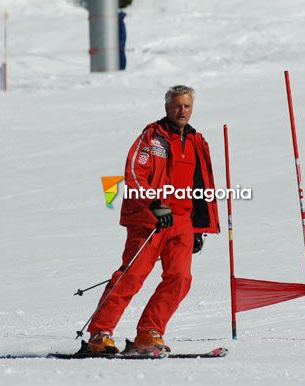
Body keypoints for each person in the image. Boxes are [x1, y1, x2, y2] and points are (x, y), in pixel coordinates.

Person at [87, 85, 220, 353]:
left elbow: (201, 185)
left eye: (187, 106)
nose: (182, 111)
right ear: (167, 107)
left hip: (182, 221)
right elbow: (134, 174)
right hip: (150, 219)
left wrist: (198, 227)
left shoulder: (196, 141)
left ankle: (149, 332)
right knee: (132, 275)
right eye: (177, 106)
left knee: (180, 278)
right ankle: (100, 334)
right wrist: (155, 204)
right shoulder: (152, 137)